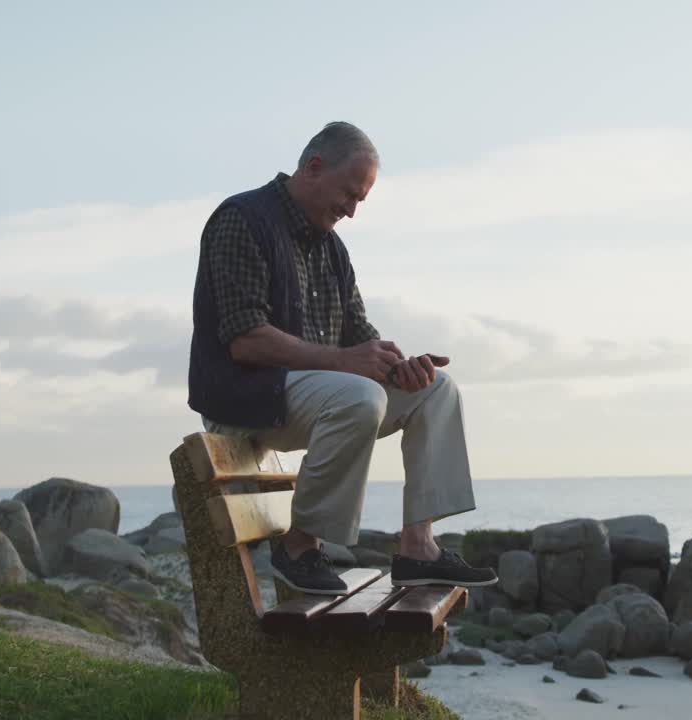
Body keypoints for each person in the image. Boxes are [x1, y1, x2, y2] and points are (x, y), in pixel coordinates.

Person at [187, 122, 498, 594]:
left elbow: (359, 340)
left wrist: (399, 369)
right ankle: (298, 548)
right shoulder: (241, 219)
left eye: (360, 202)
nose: (352, 211)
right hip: (245, 400)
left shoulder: (333, 249)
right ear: (314, 168)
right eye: (349, 195)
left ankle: (418, 548)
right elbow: (245, 341)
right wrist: (344, 361)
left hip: (315, 399)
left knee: (436, 388)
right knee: (358, 396)